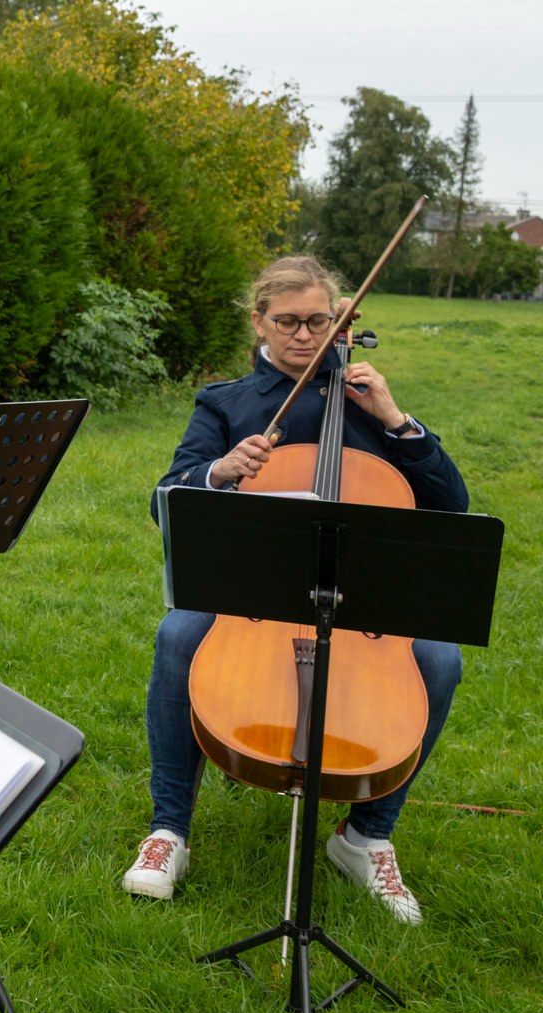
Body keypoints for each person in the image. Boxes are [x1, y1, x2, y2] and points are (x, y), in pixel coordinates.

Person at [123, 254, 468, 924]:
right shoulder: (225, 403)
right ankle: (170, 830)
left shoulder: (366, 400)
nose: (304, 336)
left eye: (317, 321)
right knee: (179, 634)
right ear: (260, 321)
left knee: (439, 659)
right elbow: (166, 498)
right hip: (254, 592)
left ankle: (366, 836)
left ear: (339, 320)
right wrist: (218, 473)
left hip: (362, 595)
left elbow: (449, 506)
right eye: (288, 322)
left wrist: (397, 420)